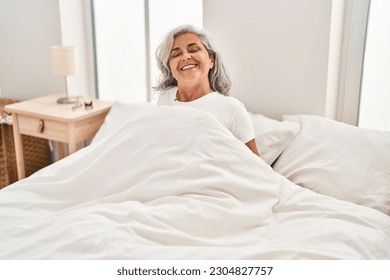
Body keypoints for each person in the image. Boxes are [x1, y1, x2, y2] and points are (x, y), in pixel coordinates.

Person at [154, 25, 259, 156]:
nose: (185, 57)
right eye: (176, 54)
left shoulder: (232, 108)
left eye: (193, 49)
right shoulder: (164, 98)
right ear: (170, 68)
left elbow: (256, 167)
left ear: (211, 60)